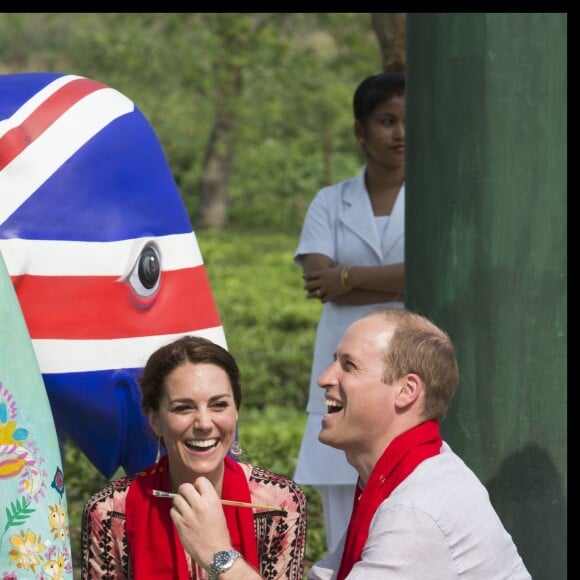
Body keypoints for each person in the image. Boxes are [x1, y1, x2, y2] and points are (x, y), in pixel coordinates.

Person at [306, 308, 532, 579]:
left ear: (406, 391)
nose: (325, 378)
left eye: (349, 366)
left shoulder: (415, 511)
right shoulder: (416, 473)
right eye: (334, 362)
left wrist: (237, 560)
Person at [80, 335, 307, 579]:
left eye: (219, 405)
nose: (204, 423)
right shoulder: (110, 512)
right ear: (156, 421)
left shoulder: (279, 503)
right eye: (183, 408)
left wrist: (217, 553)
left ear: (236, 411)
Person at [293, 71, 405, 552]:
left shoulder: (439, 196)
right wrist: (395, 280)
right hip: (342, 364)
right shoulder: (329, 201)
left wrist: (350, 276)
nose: (401, 133)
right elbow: (321, 282)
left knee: (406, 502)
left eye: (408, 121)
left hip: (407, 361)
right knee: (344, 520)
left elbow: (433, 274)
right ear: (361, 130)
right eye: (386, 121)